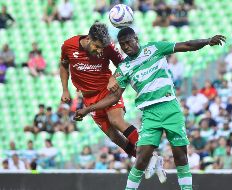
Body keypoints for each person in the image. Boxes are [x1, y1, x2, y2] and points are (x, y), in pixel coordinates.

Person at [74, 27, 226, 190]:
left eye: (128, 42)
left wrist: (207, 41)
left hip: (170, 108)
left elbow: (187, 45)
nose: (126, 47)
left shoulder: (154, 48)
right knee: (141, 158)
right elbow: (113, 97)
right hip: (149, 114)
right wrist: (88, 109)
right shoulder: (124, 68)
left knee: (180, 156)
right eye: (122, 45)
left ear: (136, 39)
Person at [60, 22, 164, 179]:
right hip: (89, 98)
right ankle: (147, 161)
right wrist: (65, 89)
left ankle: (150, 155)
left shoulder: (108, 48)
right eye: (97, 46)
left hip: (108, 92)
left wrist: (113, 77)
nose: (99, 51)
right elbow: (63, 65)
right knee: (115, 138)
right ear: (88, 39)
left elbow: (123, 65)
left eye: (102, 48)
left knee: (116, 120)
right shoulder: (69, 45)